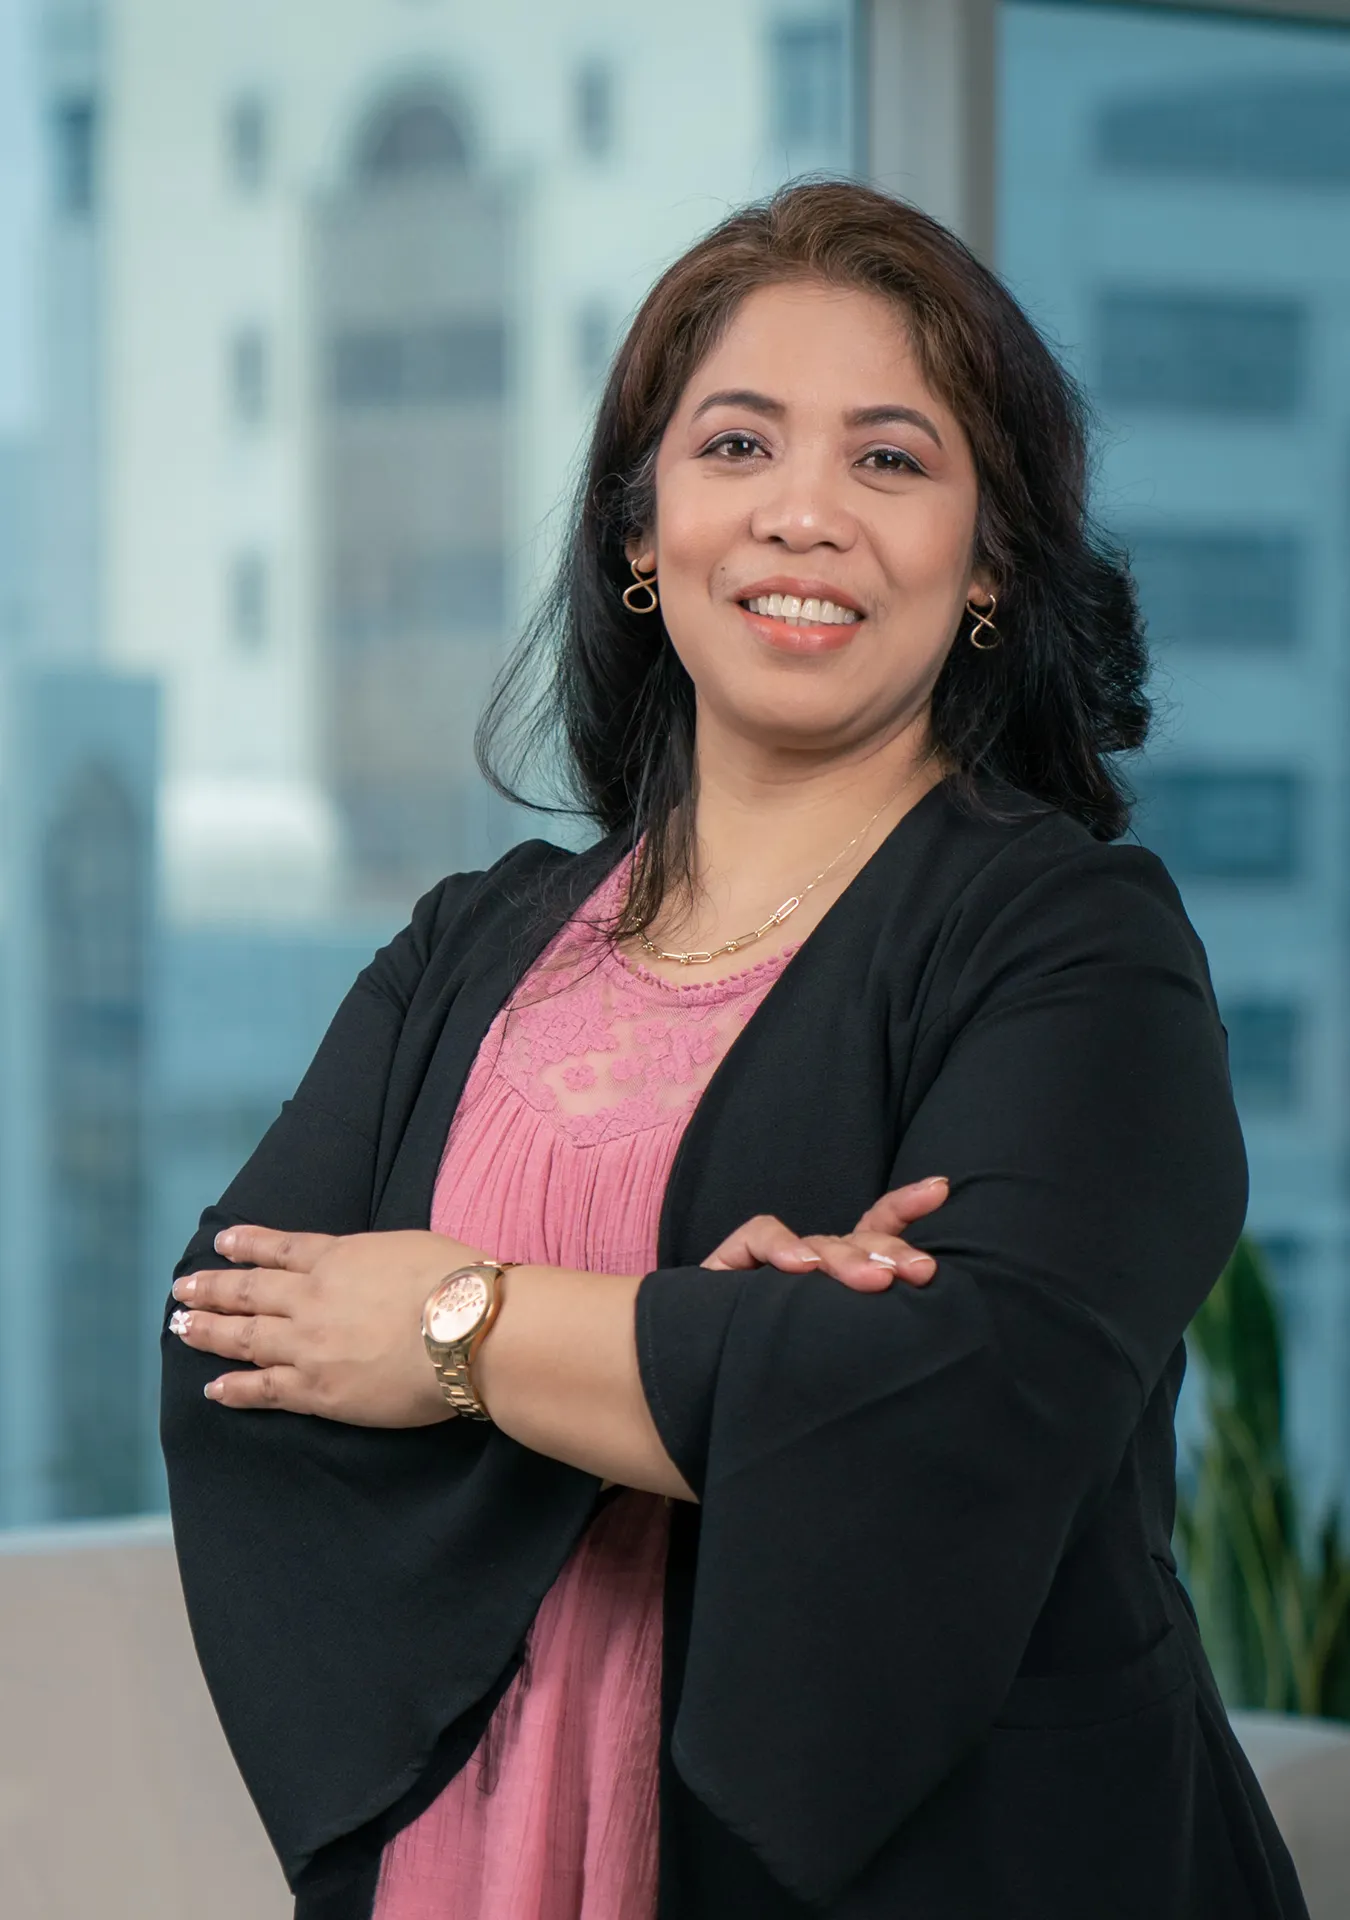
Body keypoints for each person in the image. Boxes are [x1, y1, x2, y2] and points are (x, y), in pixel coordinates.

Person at [160, 180, 1309, 1920]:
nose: (802, 517)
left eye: (891, 461)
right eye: (737, 446)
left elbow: (952, 1410)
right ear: (640, 530)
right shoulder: (472, 937)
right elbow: (229, 1338)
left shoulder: (1073, 946)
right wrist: (733, 1349)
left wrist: (448, 1324)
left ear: (989, 555)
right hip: (478, 1847)